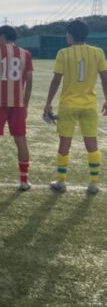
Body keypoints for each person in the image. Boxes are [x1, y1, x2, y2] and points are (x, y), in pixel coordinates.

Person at [44, 20, 107, 194]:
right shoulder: (98, 52)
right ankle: (94, 182)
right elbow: (104, 78)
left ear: (70, 35)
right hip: (89, 105)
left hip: (68, 105)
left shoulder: (63, 53)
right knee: (91, 143)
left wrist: (48, 102)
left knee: (65, 142)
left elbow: (56, 80)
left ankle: (61, 181)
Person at [0, 25, 33, 190]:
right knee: (21, 140)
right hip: (18, 103)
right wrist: (25, 103)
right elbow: (30, 81)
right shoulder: (26, 54)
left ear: (3, 36)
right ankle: (24, 181)